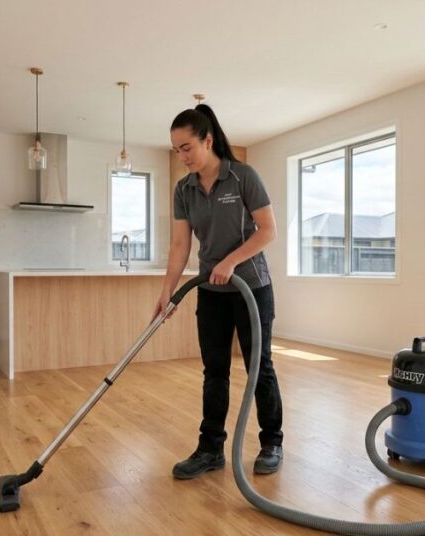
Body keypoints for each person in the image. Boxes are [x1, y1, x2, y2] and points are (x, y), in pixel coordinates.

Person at [154, 104, 284, 479]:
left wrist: (230, 261)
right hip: (211, 291)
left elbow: (267, 230)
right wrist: (168, 292)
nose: (182, 157)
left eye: (187, 147)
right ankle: (211, 448)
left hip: (252, 288)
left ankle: (272, 442)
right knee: (215, 370)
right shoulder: (185, 190)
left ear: (208, 140)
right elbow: (180, 246)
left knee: (260, 367)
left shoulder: (243, 177)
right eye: (176, 150)